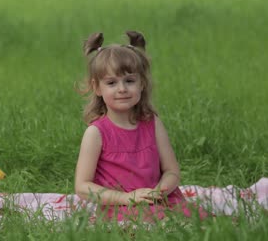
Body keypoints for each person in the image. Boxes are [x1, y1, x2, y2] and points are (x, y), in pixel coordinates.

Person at [74, 31, 207, 222]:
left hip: (161, 199)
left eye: (129, 81)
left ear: (142, 83)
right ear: (97, 88)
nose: (122, 89)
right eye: (111, 83)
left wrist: (159, 192)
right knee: (151, 223)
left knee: (198, 219)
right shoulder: (96, 133)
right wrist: (126, 198)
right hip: (120, 206)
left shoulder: (151, 123)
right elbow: (82, 187)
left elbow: (172, 171)